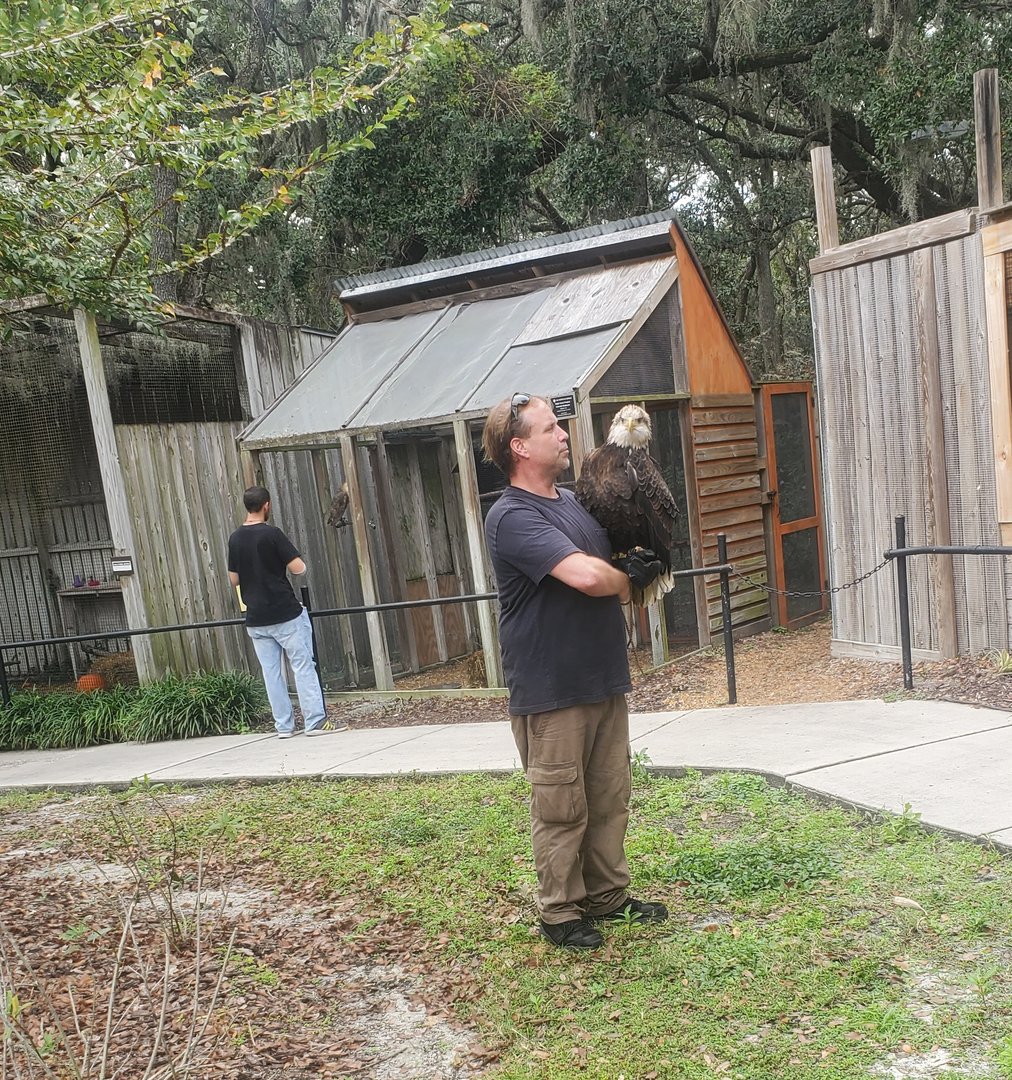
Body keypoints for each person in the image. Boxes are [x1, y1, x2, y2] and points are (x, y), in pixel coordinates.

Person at [481, 393, 668, 950]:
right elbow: (587, 577)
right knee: (562, 805)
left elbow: (613, 552)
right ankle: (560, 912)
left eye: (561, 428)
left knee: (609, 795)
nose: (564, 436)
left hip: (603, 674)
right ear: (519, 447)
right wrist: (632, 579)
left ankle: (607, 896)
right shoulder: (511, 515)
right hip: (551, 687)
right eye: (549, 429)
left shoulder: (575, 502)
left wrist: (641, 558)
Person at [227, 486, 343, 739]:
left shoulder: (235, 538)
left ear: (247, 506)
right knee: (302, 666)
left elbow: (234, 580)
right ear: (266, 505)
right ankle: (314, 722)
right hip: (284, 612)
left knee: (271, 673)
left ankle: (284, 726)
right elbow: (299, 568)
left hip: (255, 618)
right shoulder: (273, 535)